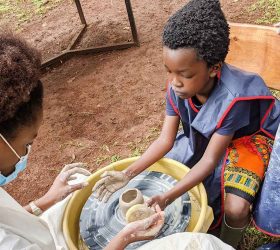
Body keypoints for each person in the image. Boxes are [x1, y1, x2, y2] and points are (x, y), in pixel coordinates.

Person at [93, 0, 280, 248]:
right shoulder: (178, 86)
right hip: (208, 136)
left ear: (213, 68)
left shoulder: (234, 98)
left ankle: (228, 243)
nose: (174, 82)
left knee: (235, 207)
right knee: (168, 170)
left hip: (248, 139)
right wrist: (127, 174)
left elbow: (210, 160)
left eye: (185, 75)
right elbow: (164, 140)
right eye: (169, 71)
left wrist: (168, 196)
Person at [0, 33, 165, 249]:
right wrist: (124, 238)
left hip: (37, 237)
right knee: (197, 243)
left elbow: (11, 219)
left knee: (76, 182)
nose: (26, 153)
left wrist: (46, 201)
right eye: (27, 144)